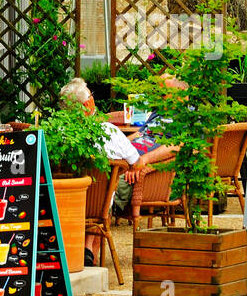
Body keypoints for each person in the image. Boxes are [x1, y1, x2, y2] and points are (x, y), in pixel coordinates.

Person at [58, 77, 176, 267]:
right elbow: (136, 162)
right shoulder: (108, 132)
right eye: (91, 95)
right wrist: (129, 164)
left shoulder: (58, 134)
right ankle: (89, 254)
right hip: (98, 204)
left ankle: (81, 254)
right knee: (103, 196)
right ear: (88, 104)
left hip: (65, 204)